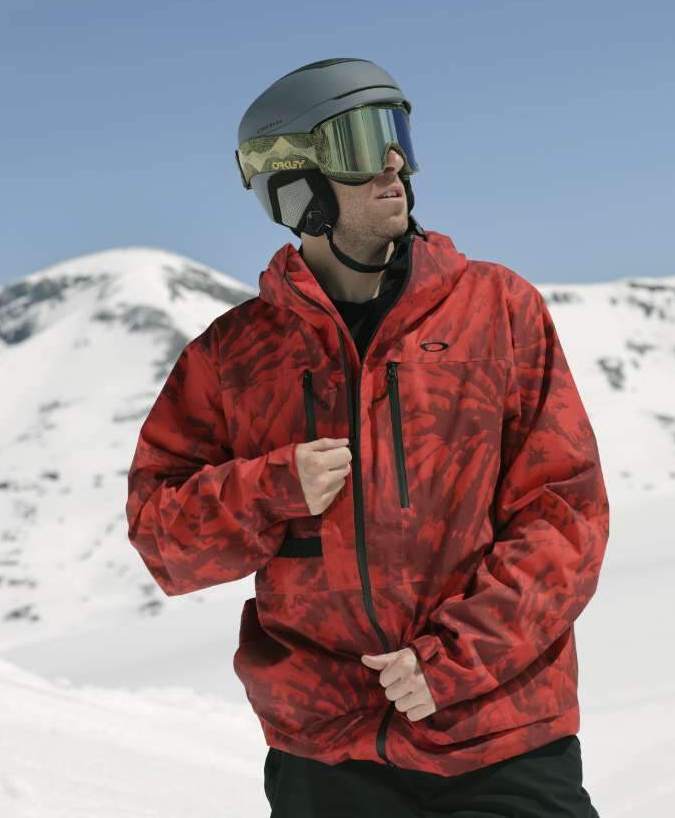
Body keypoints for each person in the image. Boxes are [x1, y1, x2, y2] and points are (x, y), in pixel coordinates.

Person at [125, 57, 609, 817]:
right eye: (356, 141)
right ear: (296, 183)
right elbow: (164, 543)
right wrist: (271, 489)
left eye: (397, 134)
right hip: (326, 754)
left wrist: (453, 659)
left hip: (499, 734)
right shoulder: (233, 358)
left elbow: (566, 517)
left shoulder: (496, 310)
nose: (391, 162)